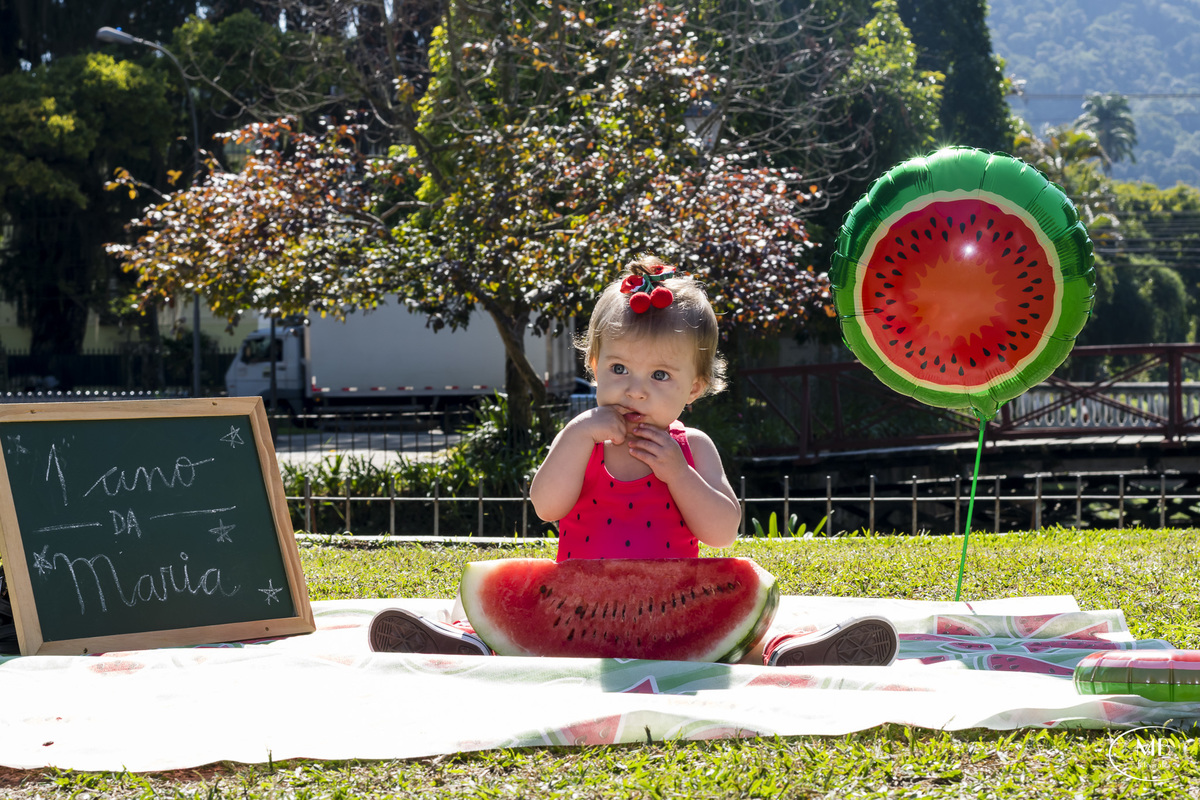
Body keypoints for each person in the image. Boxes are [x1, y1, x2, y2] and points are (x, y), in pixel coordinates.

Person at [369, 255, 898, 667]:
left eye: (660, 377)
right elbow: (547, 507)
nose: (635, 391)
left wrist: (678, 473)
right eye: (619, 367)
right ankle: (465, 644)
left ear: (694, 387)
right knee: (486, 610)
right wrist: (576, 438)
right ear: (594, 365)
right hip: (576, 611)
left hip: (677, 612)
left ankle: (788, 650)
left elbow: (721, 533)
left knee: (753, 620)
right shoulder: (583, 440)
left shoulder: (694, 448)